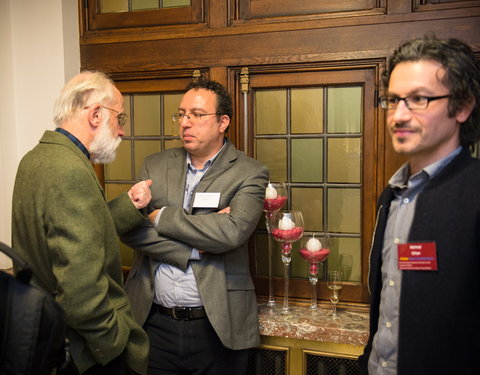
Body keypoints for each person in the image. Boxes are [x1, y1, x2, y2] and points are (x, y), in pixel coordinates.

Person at [121, 79, 269, 374]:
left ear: (222, 122)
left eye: (197, 115)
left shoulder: (249, 172)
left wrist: (160, 217)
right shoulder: (155, 165)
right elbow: (132, 230)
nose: (185, 123)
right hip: (153, 323)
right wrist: (196, 247)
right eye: (181, 114)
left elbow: (232, 232)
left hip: (216, 326)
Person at [12, 71, 152, 375]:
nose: (122, 131)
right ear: (96, 114)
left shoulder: (36, 158)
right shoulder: (70, 170)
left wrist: (129, 204)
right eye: (120, 118)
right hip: (83, 354)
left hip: (48, 338)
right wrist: (113, 343)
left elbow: (83, 230)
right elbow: (80, 290)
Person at [359, 35, 480, 375]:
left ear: (463, 106)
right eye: (393, 100)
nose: (398, 115)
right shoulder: (393, 194)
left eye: (418, 100)